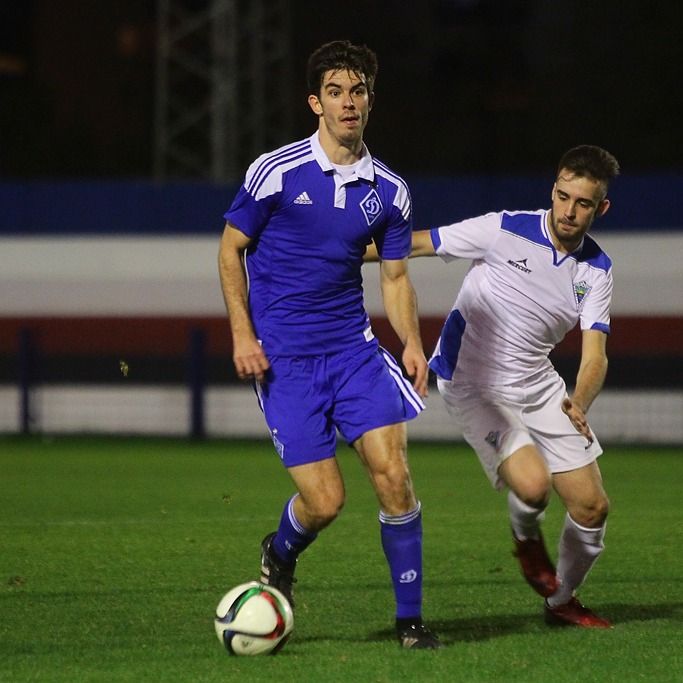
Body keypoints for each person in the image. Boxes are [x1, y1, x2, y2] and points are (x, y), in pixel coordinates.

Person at [218, 40, 441, 649]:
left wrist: (412, 344)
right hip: (286, 363)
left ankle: (411, 622)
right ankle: (280, 548)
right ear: (316, 102)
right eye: (336, 92)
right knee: (325, 501)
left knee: (394, 476)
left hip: (355, 354)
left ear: (371, 100)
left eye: (359, 91)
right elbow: (230, 248)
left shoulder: (390, 192)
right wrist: (242, 332)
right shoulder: (276, 172)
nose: (349, 103)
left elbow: (395, 277)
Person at [367, 145, 620, 628]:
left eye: (583, 203)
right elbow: (414, 243)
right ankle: (527, 539)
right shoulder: (503, 228)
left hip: (541, 385)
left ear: (600, 207)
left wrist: (580, 401)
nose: (568, 211)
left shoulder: (597, 271)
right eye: (563, 196)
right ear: (553, 188)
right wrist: (328, 253)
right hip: (473, 381)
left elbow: (595, 355)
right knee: (532, 484)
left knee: (591, 506)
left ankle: (561, 601)